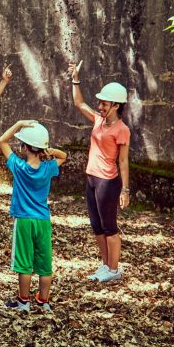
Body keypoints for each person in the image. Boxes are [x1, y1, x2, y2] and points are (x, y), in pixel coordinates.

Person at [68, 61, 130, 283]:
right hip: (92, 178)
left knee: (109, 227)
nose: (101, 106)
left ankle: (114, 269)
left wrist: (125, 190)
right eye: (101, 103)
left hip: (107, 182)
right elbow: (79, 102)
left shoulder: (122, 130)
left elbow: (123, 162)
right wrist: (76, 79)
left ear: (116, 105)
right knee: (97, 226)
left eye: (104, 103)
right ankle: (105, 265)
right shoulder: (98, 120)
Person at [0, 121, 67, 312]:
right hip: (43, 220)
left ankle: (24, 301)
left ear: (24, 147)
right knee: (45, 262)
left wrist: (19, 124)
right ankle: (43, 301)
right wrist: (49, 151)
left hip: (24, 219)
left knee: (24, 261)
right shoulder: (48, 168)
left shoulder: (19, 167)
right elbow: (64, 156)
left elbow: (2, 141)